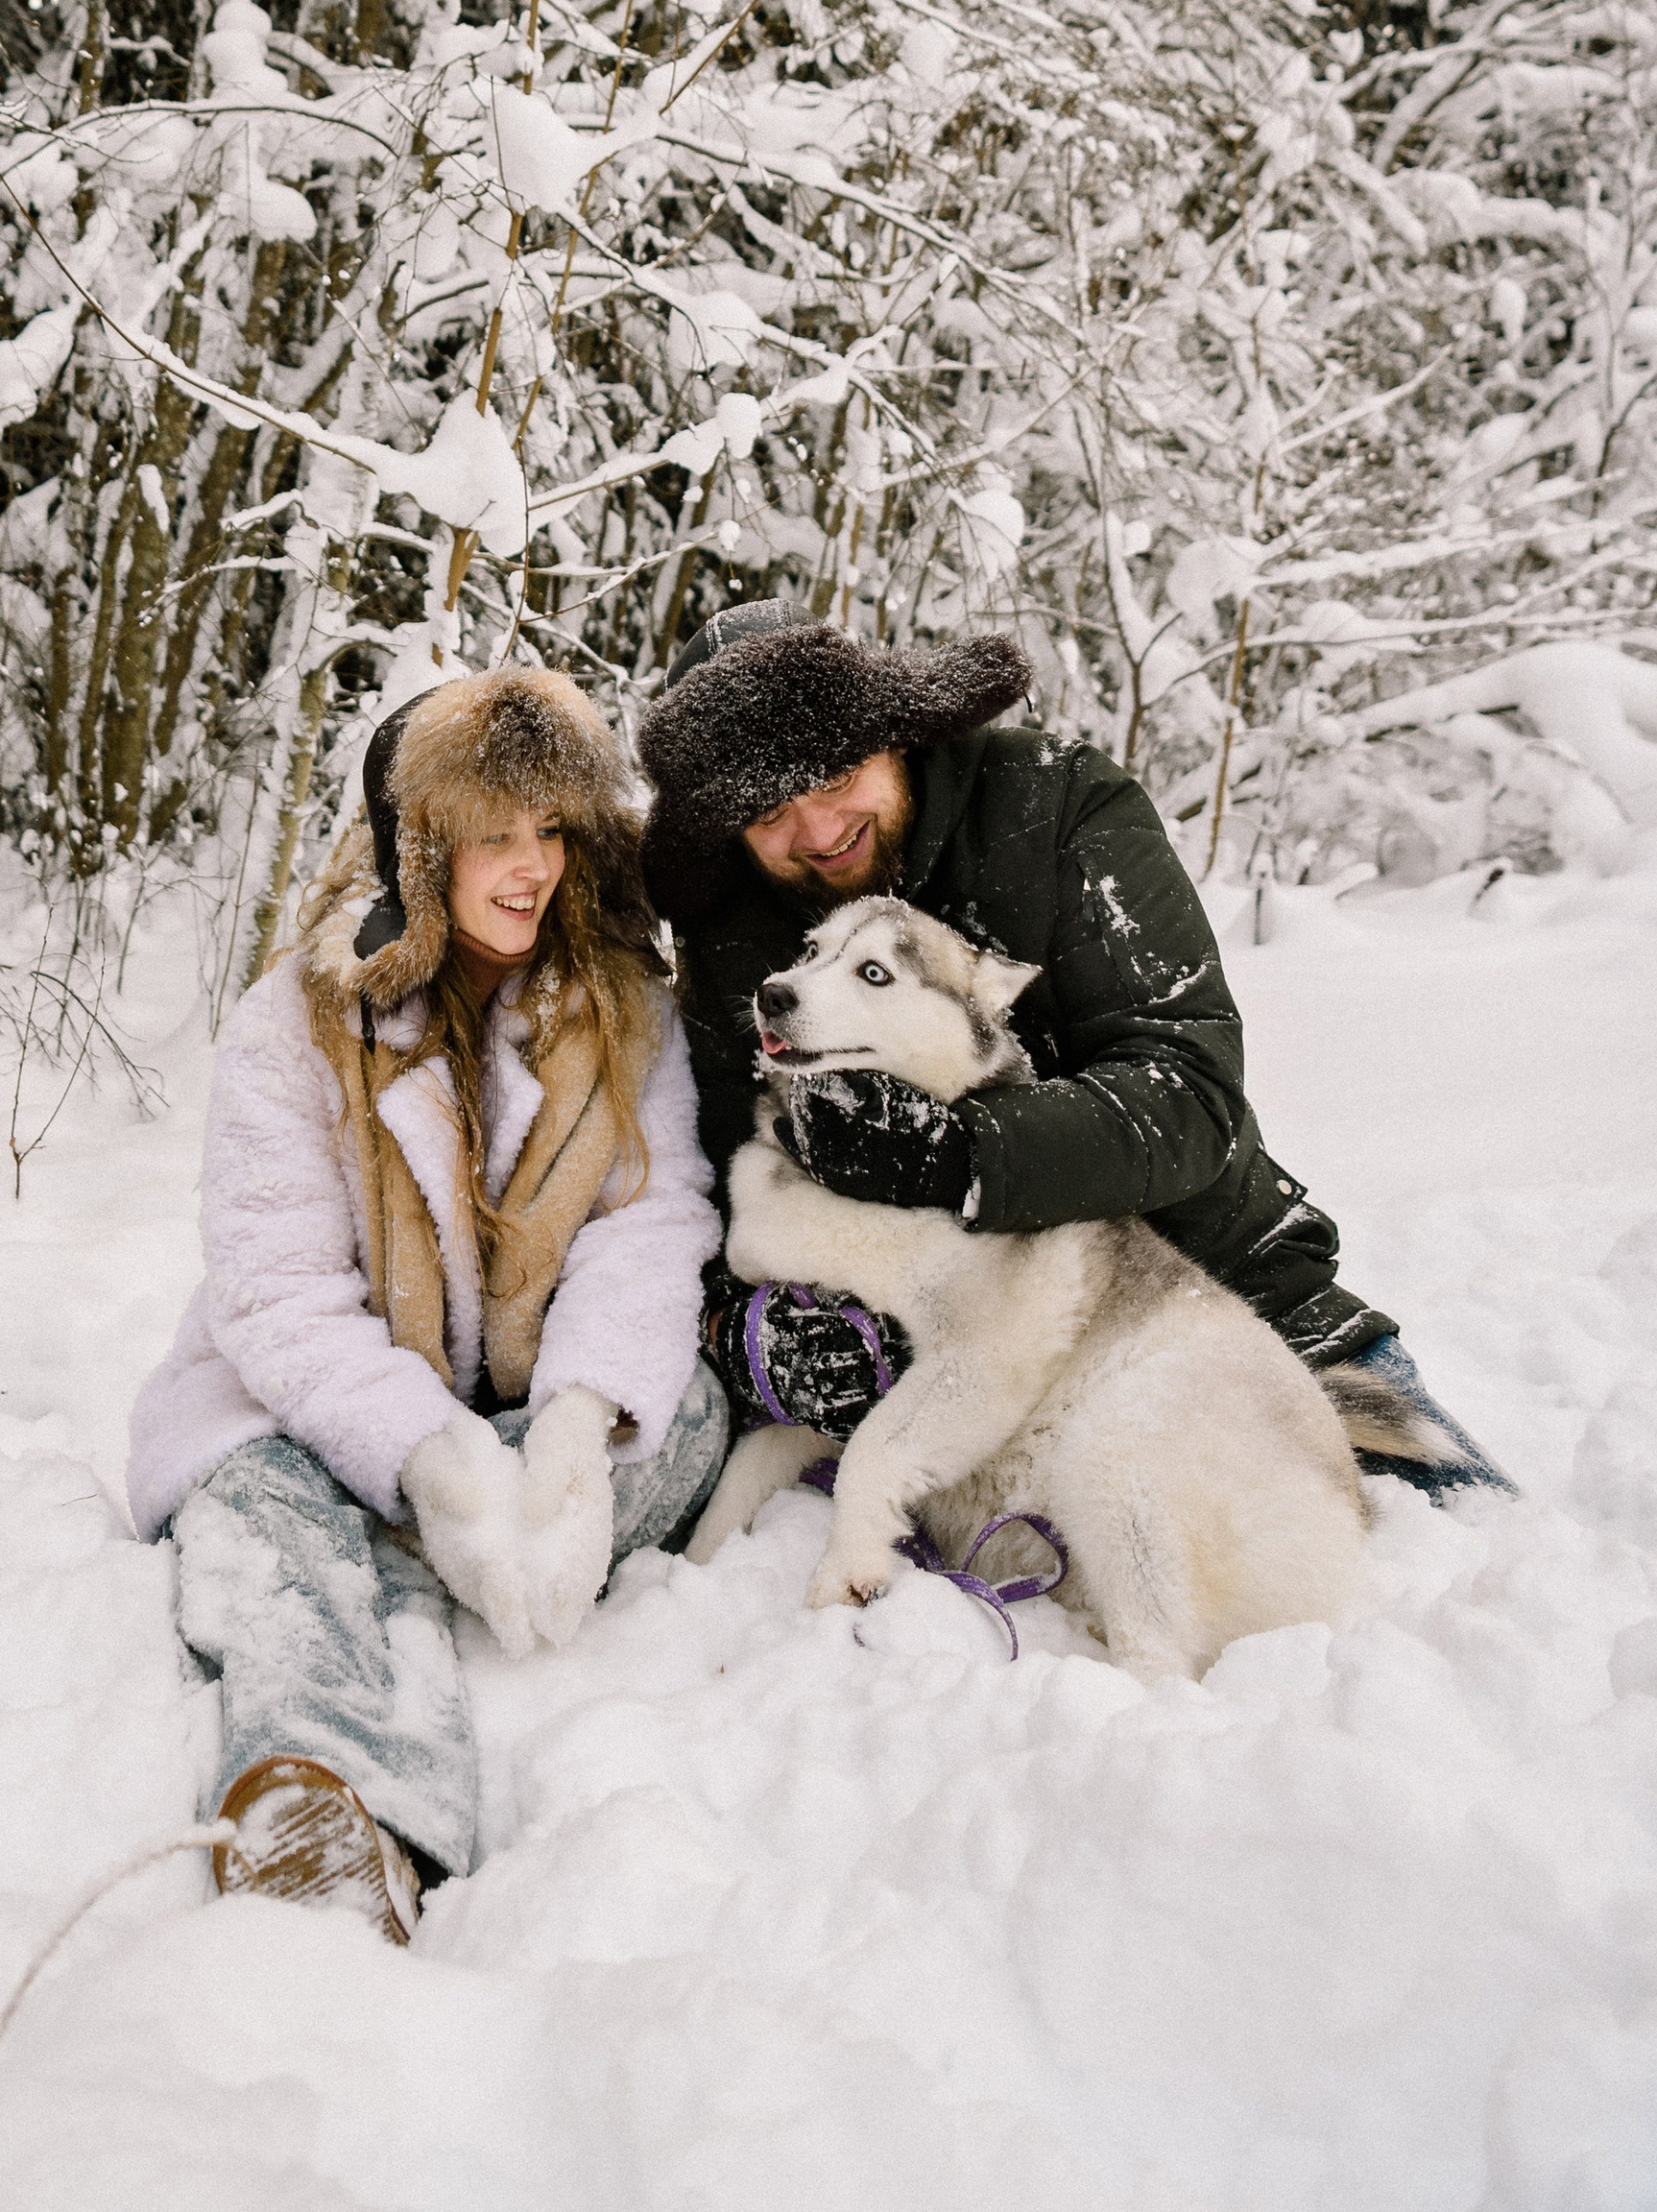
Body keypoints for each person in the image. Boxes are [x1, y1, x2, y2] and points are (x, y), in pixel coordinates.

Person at [636, 602, 1511, 1506]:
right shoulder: (736, 936)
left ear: (890, 730)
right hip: (957, 1364)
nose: (817, 831)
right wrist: (737, 1330)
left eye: (836, 773)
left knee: (1465, 1569)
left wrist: (965, 1156)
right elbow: (699, 1171)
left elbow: (1188, 1089)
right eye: (770, 811)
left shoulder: (1052, 805)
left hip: (1226, 1302)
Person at [129, 667, 725, 1943]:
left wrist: (573, 1438)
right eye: (493, 835)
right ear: (419, 849)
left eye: (554, 831)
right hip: (321, 1405)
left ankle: (419, 1554)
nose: (530, 869)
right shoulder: (296, 1022)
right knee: (255, 1503)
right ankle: (330, 1795)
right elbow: (276, 1291)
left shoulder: (628, 1012)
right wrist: (438, 1465)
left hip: (522, 1404)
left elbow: (650, 1223)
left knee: (692, 1415)